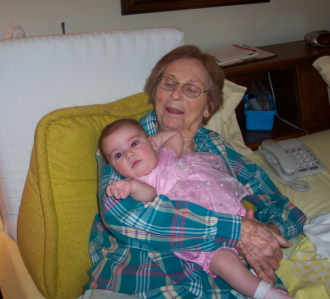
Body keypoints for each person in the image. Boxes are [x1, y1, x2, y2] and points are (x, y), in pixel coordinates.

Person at [85, 45, 306, 298]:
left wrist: (265, 235)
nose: (176, 95)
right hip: (149, 280)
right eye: (168, 83)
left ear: (209, 107)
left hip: (229, 285)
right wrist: (237, 229)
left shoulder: (217, 149)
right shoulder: (126, 143)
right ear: (155, 91)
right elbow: (126, 218)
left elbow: (284, 209)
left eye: (190, 89)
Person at [99, 118, 294, 299]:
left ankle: (259, 271)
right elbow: (148, 195)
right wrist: (130, 187)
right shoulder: (140, 180)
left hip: (225, 210)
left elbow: (174, 136)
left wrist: (153, 143)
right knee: (224, 263)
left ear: (151, 142)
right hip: (201, 233)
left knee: (254, 238)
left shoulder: (166, 153)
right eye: (118, 155)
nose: (129, 154)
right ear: (113, 166)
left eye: (134, 144)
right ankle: (267, 294)